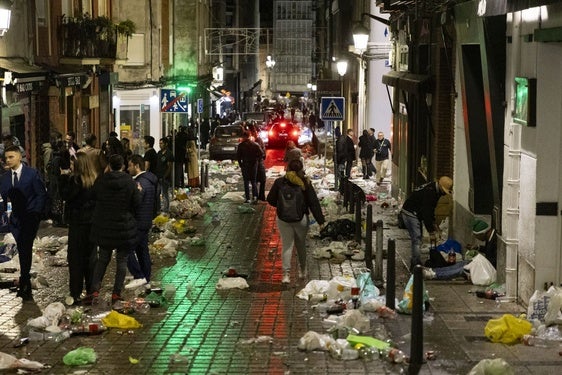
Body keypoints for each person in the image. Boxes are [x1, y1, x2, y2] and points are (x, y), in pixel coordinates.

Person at [84, 154, 141, 305]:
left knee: (103, 259)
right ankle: (116, 293)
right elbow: (137, 202)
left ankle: (95, 289)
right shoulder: (129, 181)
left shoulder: (101, 180)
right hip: (123, 226)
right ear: (122, 166)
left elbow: (91, 197)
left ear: (109, 166)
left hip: (104, 226)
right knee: (122, 261)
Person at [266, 159, 325, 284]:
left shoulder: (279, 182)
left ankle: (286, 275)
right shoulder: (305, 183)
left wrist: (283, 206)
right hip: (301, 219)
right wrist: (320, 221)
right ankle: (302, 271)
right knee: (300, 246)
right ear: (301, 169)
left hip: (283, 220)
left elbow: (270, 199)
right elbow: (313, 203)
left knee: (287, 246)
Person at [0, 145, 47, 300]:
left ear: (19, 157)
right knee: (22, 248)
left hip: (30, 218)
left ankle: (25, 283)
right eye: (6, 157)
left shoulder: (32, 174)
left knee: (25, 247)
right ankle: (24, 281)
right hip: (15, 220)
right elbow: (3, 200)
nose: (8, 160)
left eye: (11, 157)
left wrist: (36, 213)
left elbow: (41, 195)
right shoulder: (5, 178)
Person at [58, 152, 98, 304]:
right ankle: (91, 290)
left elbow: (64, 195)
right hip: (92, 225)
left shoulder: (75, 181)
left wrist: (62, 176)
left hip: (78, 224)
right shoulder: (94, 181)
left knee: (75, 259)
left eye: (74, 164)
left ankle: (75, 292)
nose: (71, 166)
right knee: (91, 259)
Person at [400, 176, 453, 271]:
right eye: (444, 191)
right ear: (440, 186)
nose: (444, 194)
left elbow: (431, 211)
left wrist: (434, 225)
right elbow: (426, 213)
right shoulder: (431, 192)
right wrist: (431, 232)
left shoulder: (435, 190)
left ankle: (416, 261)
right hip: (410, 213)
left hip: (414, 212)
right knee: (417, 239)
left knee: (417, 239)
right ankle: (415, 265)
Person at [125, 154, 158, 290]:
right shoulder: (150, 181)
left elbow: (136, 202)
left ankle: (139, 276)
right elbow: (156, 202)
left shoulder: (140, 183)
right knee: (142, 250)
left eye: (130, 165)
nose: (128, 168)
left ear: (137, 166)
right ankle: (146, 277)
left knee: (126, 249)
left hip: (138, 221)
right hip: (146, 220)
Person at [423, 220, 497, 280]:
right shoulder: (489, 237)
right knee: (463, 263)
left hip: (489, 268)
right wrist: (477, 247)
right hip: (484, 263)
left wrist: (479, 261)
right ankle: (434, 271)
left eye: (477, 237)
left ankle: (434, 275)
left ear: (483, 234)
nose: (478, 239)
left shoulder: (495, 240)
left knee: (464, 269)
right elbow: (488, 250)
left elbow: (495, 261)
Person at [237, 131, 264, 203]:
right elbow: (261, 154)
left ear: (243, 137)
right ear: (249, 136)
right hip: (253, 164)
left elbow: (238, 157)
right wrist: (257, 160)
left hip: (245, 164)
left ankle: (248, 198)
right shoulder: (255, 144)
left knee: (246, 182)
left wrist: (241, 164)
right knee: (253, 181)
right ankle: (255, 197)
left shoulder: (241, 145)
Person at [155, 137, 174, 212]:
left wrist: (164, 176)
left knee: (165, 194)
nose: (160, 145)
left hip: (165, 177)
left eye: (161, 143)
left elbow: (170, 167)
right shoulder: (159, 153)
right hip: (158, 176)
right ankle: (159, 208)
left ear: (166, 144)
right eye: (159, 143)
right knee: (158, 193)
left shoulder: (169, 154)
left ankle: (166, 209)